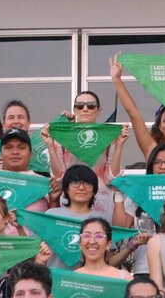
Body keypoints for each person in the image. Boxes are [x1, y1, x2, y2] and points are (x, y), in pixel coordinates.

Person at [40, 90, 130, 220]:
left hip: (100, 197)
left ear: (99, 110)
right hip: (72, 197)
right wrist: (50, 145)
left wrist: (119, 146)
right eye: (80, 106)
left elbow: (111, 176)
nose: (85, 109)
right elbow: (58, 176)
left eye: (91, 106)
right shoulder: (64, 136)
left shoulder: (107, 136)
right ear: (75, 110)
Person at [113, 143, 165, 275]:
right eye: (157, 162)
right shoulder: (139, 192)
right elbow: (120, 227)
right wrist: (118, 193)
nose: (163, 167)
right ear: (151, 166)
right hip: (145, 267)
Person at [73, 217, 132, 298]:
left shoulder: (123, 277)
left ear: (108, 244)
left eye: (99, 236)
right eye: (86, 236)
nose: (92, 241)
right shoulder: (71, 279)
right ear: (80, 243)